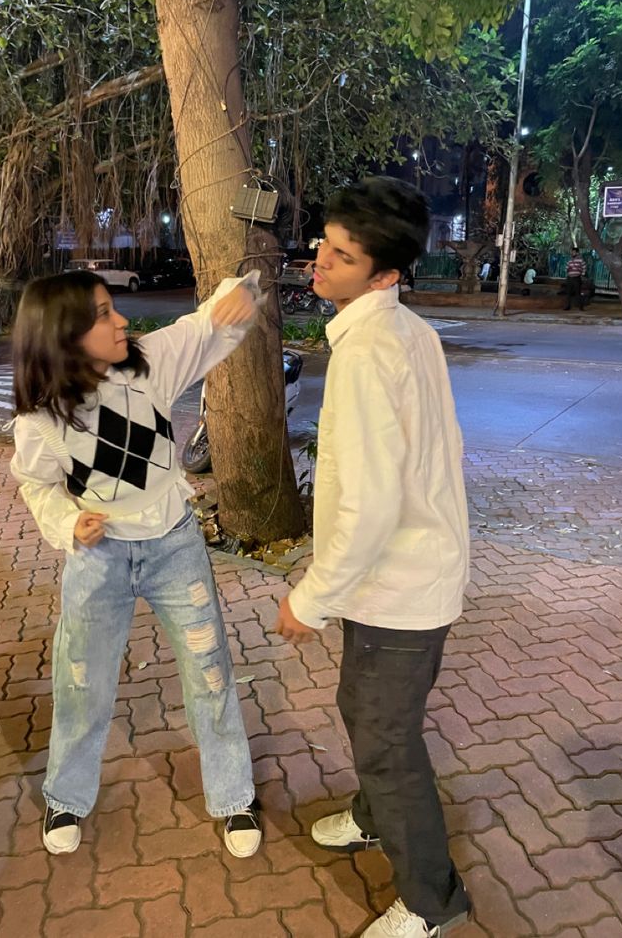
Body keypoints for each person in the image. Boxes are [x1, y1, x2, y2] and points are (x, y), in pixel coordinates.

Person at [275, 176, 471, 938]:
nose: (320, 261)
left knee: (387, 741)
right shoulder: (402, 331)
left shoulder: (371, 353)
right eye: (324, 242)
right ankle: (368, 815)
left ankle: (433, 901)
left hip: (400, 581)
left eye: (343, 255)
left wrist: (309, 597)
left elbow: (369, 503)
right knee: (367, 710)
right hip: (400, 576)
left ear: (385, 274)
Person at [11, 269, 263, 859]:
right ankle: (65, 794)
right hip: (97, 559)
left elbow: (206, 328)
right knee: (80, 679)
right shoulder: (42, 419)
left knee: (210, 670)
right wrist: (68, 523)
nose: (121, 321)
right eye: (103, 313)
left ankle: (234, 796)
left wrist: (239, 296)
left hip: (174, 544)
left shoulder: (148, 364)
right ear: (66, 334)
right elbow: (35, 483)